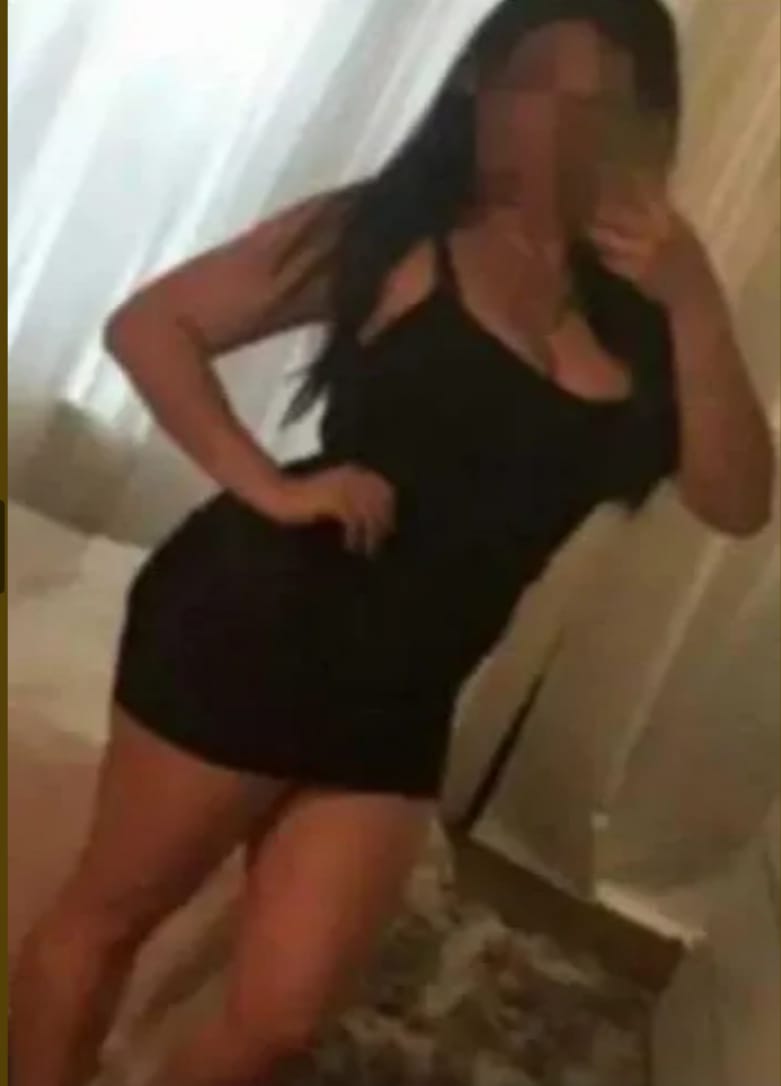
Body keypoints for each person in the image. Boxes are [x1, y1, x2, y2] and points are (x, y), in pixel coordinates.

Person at [10, 1, 773, 1084]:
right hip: (252, 634)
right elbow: (151, 323)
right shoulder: (394, 230)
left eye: (603, 98)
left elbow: (738, 500)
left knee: (282, 1016)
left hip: (403, 697)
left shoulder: (644, 318)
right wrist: (268, 485)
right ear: (477, 84)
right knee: (108, 916)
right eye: (537, 82)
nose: (562, 121)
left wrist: (694, 297)